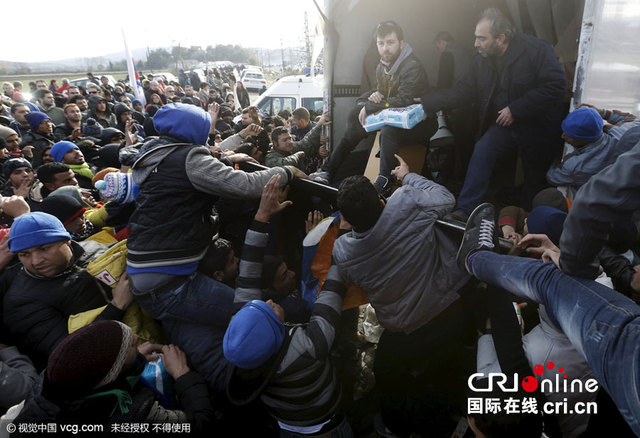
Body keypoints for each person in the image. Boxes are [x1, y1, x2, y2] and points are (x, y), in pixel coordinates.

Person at [455, 202, 640, 436]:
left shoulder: (520, 372)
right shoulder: (601, 339)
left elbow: (507, 360)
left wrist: (492, 268)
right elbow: (589, 298)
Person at [332, 156, 474, 436]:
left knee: (390, 374)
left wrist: (344, 230)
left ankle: (396, 427)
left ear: (346, 218)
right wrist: (408, 176)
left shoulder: (343, 252)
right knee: (446, 368)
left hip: (404, 329)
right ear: (381, 201)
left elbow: (345, 263)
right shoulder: (407, 200)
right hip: (448, 310)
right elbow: (445, 198)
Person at [224, 175, 351, 437]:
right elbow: (332, 291)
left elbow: (249, 267)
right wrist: (345, 235)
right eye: (271, 310)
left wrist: (262, 216)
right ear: (276, 333)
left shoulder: (245, 333)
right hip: (326, 424)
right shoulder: (308, 347)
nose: (269, 301)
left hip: (285, 424)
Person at [421, 8, 567, 221]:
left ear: (501, 38)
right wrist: (428, 103)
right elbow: (464, 90)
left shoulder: (536, 50)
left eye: (481, 38)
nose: (475, 44)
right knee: (482, 151)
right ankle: (465, 210)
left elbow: (556, 86)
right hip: (506, 124)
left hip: (538, 125)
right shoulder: (481, 59)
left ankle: (526, 223)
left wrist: (516, 109)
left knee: (533, 175)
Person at [13, 320, 214, 433]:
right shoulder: (133, 416)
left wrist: (133, 360)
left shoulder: (49, 381)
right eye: (130, 345)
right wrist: (182, 375)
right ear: (113, 373)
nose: (135, 336)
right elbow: (198, 425)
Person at [312, 20, 436, 195]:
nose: (385, 48)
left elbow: (403, 99)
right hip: (395, 116)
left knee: (388, 129)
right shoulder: (382, 67)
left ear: (401, 43)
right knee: (356, 118)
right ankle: (328, 170)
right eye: (381, 43)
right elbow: (384, 94)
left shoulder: (412, 66)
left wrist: (372, 105)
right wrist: (373, 97)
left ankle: (384, 181)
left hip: (421, 122)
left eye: (390, 43)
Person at [2, 212, 133, 369]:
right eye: (24, 254)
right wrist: (117, 307)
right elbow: (67, 356)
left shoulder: (96, 250)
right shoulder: (20, 302)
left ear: (66, 240)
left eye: (44, 248)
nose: (36, 261)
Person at [546, 106, 639, 193]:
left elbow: (552, 177)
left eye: (569, 135)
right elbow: (634, 120)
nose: (562, 136)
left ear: (583, 139)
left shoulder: (576, 166)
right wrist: (604, 113)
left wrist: (559, 157)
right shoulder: (624, 134)